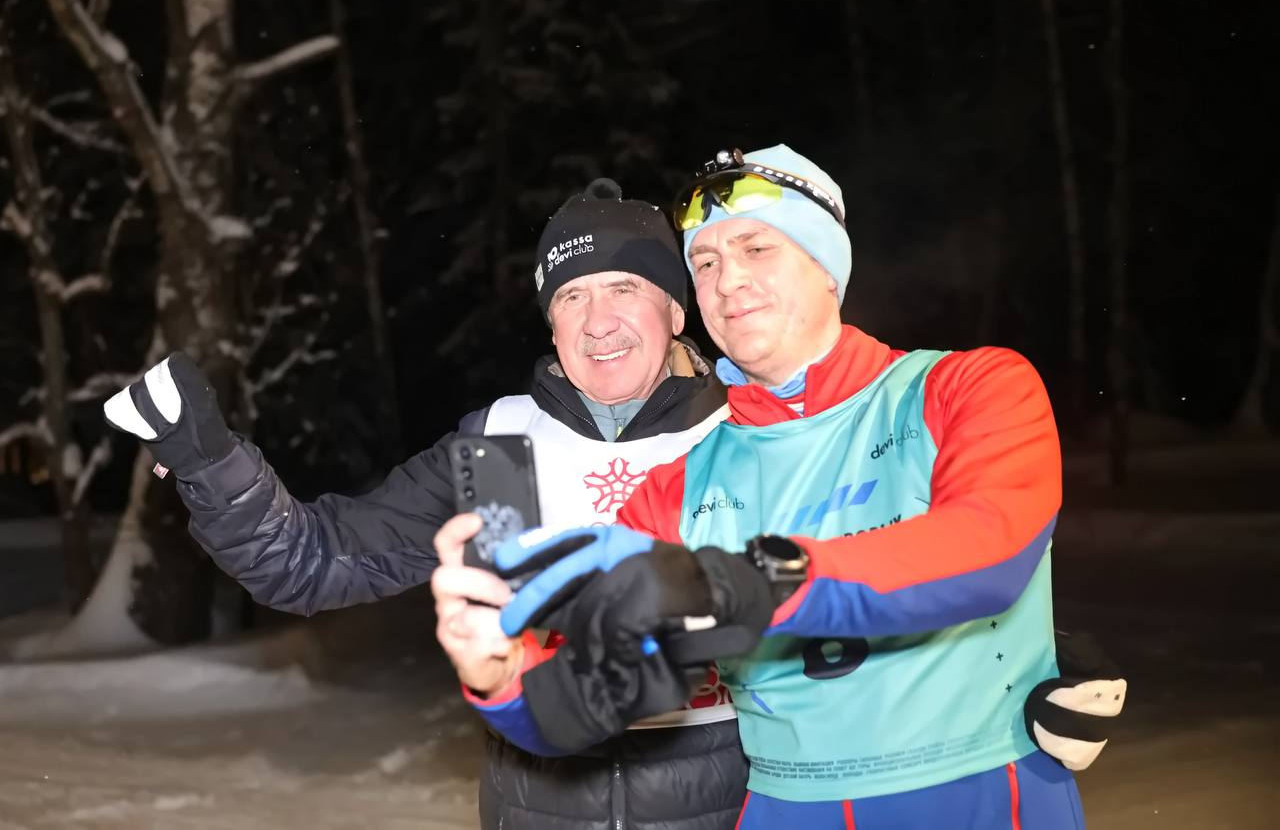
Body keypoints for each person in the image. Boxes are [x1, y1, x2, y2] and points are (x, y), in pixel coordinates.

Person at [451, 145, 1127, 829]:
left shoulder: (966, 388)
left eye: (757, 248)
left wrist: (747, 581)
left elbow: (989, 554)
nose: (728, 280)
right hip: (788, 807)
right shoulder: (677, 487)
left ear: (827, 268)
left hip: (980, 795)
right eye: (704, 263)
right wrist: (503, 675)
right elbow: (593, 688)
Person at [102, 178, 748, 830]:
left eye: (624, 287)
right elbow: (310, 562)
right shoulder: (499, 447)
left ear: (675, 310)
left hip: (721, 803)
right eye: (571, 295)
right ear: (551, 323)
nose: (598, 321)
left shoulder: (748, 433)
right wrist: (209, 460)